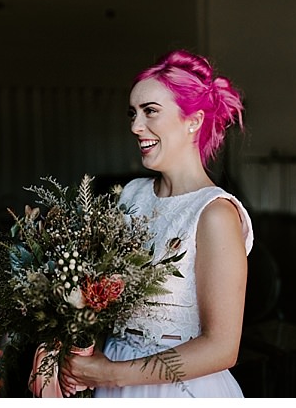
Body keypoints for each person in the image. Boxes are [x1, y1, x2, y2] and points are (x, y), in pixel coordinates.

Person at [59, 49, 253, 397]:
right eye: (132, 113)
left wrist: (111, 374)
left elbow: (222, 348)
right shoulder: (131, 196)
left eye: (150, 112)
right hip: (111, 371)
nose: (135, 126)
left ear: (192, 120)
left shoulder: (215, 213)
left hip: (179, 388)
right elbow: (92, 293)